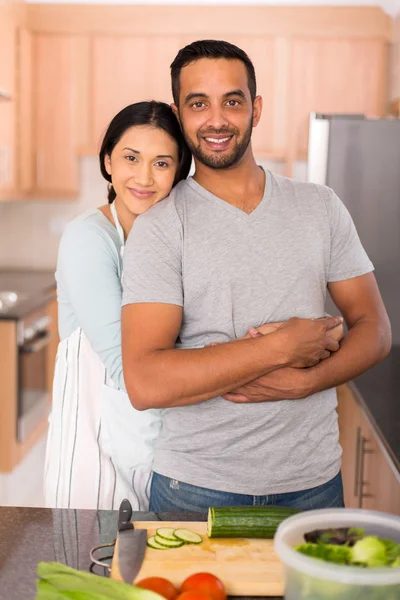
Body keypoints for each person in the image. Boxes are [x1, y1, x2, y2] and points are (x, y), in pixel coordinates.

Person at [120, 40, 391, 512]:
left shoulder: (319, 206)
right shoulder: (161, 227)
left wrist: (310, 380)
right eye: (198, 103)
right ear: (178, 113)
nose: (217, 119)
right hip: (194, 489)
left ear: (256, 108)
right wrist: (281, 347)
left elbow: (376, 329)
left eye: (232, 100)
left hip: (314, 482)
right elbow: (145, 382)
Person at [44, 101, 192, 510]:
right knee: (93, 567)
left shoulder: (168, 241)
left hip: (155, 451)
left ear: (179, 171)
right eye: (131, 158)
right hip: (94, 458)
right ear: (108, 161)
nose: (144, 177)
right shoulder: (89, 239)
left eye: (161, 163)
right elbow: (127, 369)